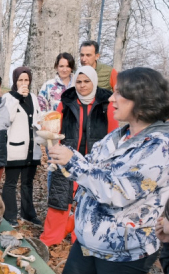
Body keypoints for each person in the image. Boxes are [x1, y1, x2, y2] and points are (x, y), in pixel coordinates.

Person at [48, 67, 169, 274]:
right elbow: (92, 168)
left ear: (143, 101)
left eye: (121, 94)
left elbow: (117, 191)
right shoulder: (120, 135)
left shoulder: (162, 148)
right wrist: (64, 159)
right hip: (87, 243)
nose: (112, 99)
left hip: (125, 250)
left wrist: (75, 163)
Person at [40, 66, 117, 245]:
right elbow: (54, 126)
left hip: (94, 161)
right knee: (59, 198)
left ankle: (80, 238)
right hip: (67, 157)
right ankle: (51, 238)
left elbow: (113, 134)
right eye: (79, 82)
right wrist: (54, 149)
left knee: (88, 200)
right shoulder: (67, 101)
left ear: (94, 82)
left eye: (86, 82)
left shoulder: (107, 103)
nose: (82, 86)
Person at [0, 66, 43, 228]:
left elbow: (37, 118)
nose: (24, 83)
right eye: (20, 80)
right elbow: (7, 118)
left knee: (28, 183)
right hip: (14, 149)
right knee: (11, 183)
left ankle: (28, 213)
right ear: (15, 81)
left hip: (32, 149)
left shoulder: (33, 97)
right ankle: (10, 215)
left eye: (26, 80)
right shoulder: (8, 97)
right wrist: (17, 96)